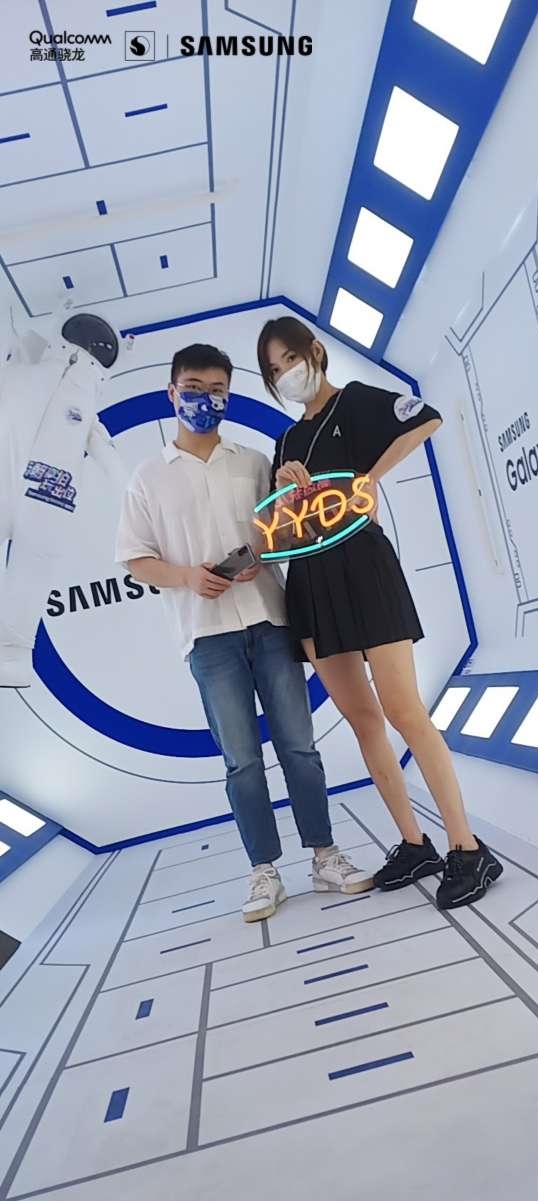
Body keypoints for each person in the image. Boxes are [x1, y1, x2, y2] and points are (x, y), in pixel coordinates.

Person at [114, 343, 371, 922]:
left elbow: (282, 532)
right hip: (205, 636)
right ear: (172, 392)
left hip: (271, 619)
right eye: (194, 389)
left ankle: (325, 856)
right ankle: (264, 871)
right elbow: (135, 558)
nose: (206, 401)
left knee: (299, 748)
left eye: (217, 391)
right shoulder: (147, 478)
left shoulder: (255, 462)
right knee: (241, 761)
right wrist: (188, 576)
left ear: (230, 395)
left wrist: (269, 544)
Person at [256, 317, 503, 911]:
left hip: (365, 567)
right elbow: (283, 535)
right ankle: (415, 844)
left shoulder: (358, 401)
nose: (284, 373)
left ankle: (467, 848)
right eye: (272, 368)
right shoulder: (286, 443)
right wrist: (288, 494)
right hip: (311, 581)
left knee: (403, 709)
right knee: (363, 720)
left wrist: (364, 480)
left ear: (315, 351)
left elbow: (426, 418)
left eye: (289, 358)